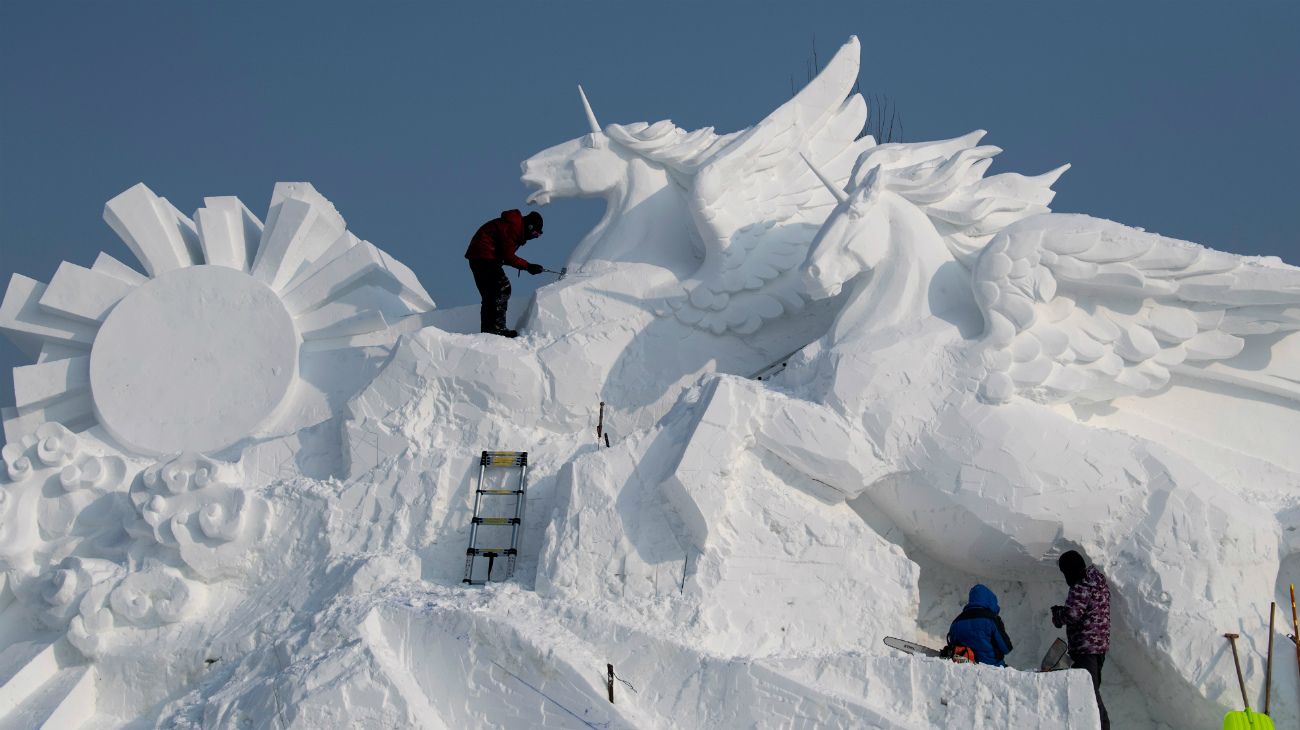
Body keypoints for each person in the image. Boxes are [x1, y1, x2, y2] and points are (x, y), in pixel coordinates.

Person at [1052, 550, 1111, 730]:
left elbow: (1072, 614)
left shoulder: (1081, 585)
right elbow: (1088, 610)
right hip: (1099, 646)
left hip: (1085, 647)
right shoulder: (1097, 582)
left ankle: (1101, 727)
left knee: (1089, 693)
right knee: (1090, 690)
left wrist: (1058, 615)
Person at [464, 209, 546, 337]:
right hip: (483, 256)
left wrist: (527, 266)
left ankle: (489, 331)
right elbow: (507, 256)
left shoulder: (515, 228)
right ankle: (496, 328)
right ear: (530, 227)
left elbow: (503, 255)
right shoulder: (514, 228)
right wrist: (528, 266)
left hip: (480, 257)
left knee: (491, 294)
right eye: (535, 234)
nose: (534, 238)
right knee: (502, 288)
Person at [946, 584, 1014, 666]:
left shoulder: (956, 622)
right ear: (990, 601)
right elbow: (1006, 648)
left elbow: (953, 647)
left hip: (966, 667)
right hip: (993, 667)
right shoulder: (992, 619)